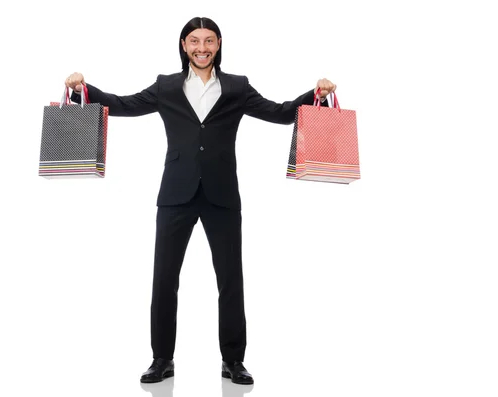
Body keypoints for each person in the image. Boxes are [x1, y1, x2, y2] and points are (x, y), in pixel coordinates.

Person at [65, 16, 336, 385]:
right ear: (183, 45)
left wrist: (315, 95)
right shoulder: (166, 87)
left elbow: (281, 112)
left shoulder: (238, 88)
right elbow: (122, 105)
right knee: (164, 279)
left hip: (222, 193)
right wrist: (85, 89)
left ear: (219, 44)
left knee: (230, 279)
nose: (202, 48)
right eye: (194, 41)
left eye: (209, 41)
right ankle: (162, 359)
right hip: (175, 192)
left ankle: (233, 361)